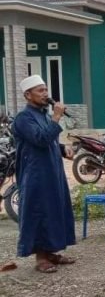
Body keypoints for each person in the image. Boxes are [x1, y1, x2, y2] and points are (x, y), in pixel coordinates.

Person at [12, 75, 77, 273]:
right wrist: (57, 117)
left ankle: (51, 252)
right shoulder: (23, 118)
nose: (46, 94)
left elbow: (49, 141)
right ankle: (40, 258)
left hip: (52, 171)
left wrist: (62, 148)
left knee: (54, 210)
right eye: (40, 90)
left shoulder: (43, 115)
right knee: (39, 211)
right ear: (27, 95)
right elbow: (39, 139)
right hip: (35, 174)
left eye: (46, 89)